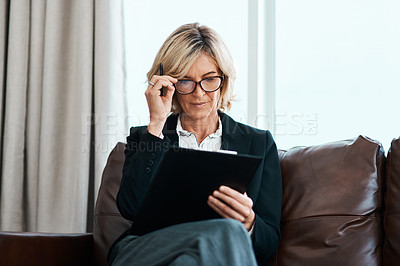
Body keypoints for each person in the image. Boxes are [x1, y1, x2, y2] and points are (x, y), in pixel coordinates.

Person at [108, 23, 282, 266]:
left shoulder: (258, 143)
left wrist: (250, 223)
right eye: (186, 81)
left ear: (224, 79)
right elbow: (130, 208)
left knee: (191, 260)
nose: (199, 94)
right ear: (169, 84)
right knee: (227, 233)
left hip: (208, 257)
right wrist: (157, 122)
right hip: (145, 252)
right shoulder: (145, 137)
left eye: (209, 79)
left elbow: (270, 241)